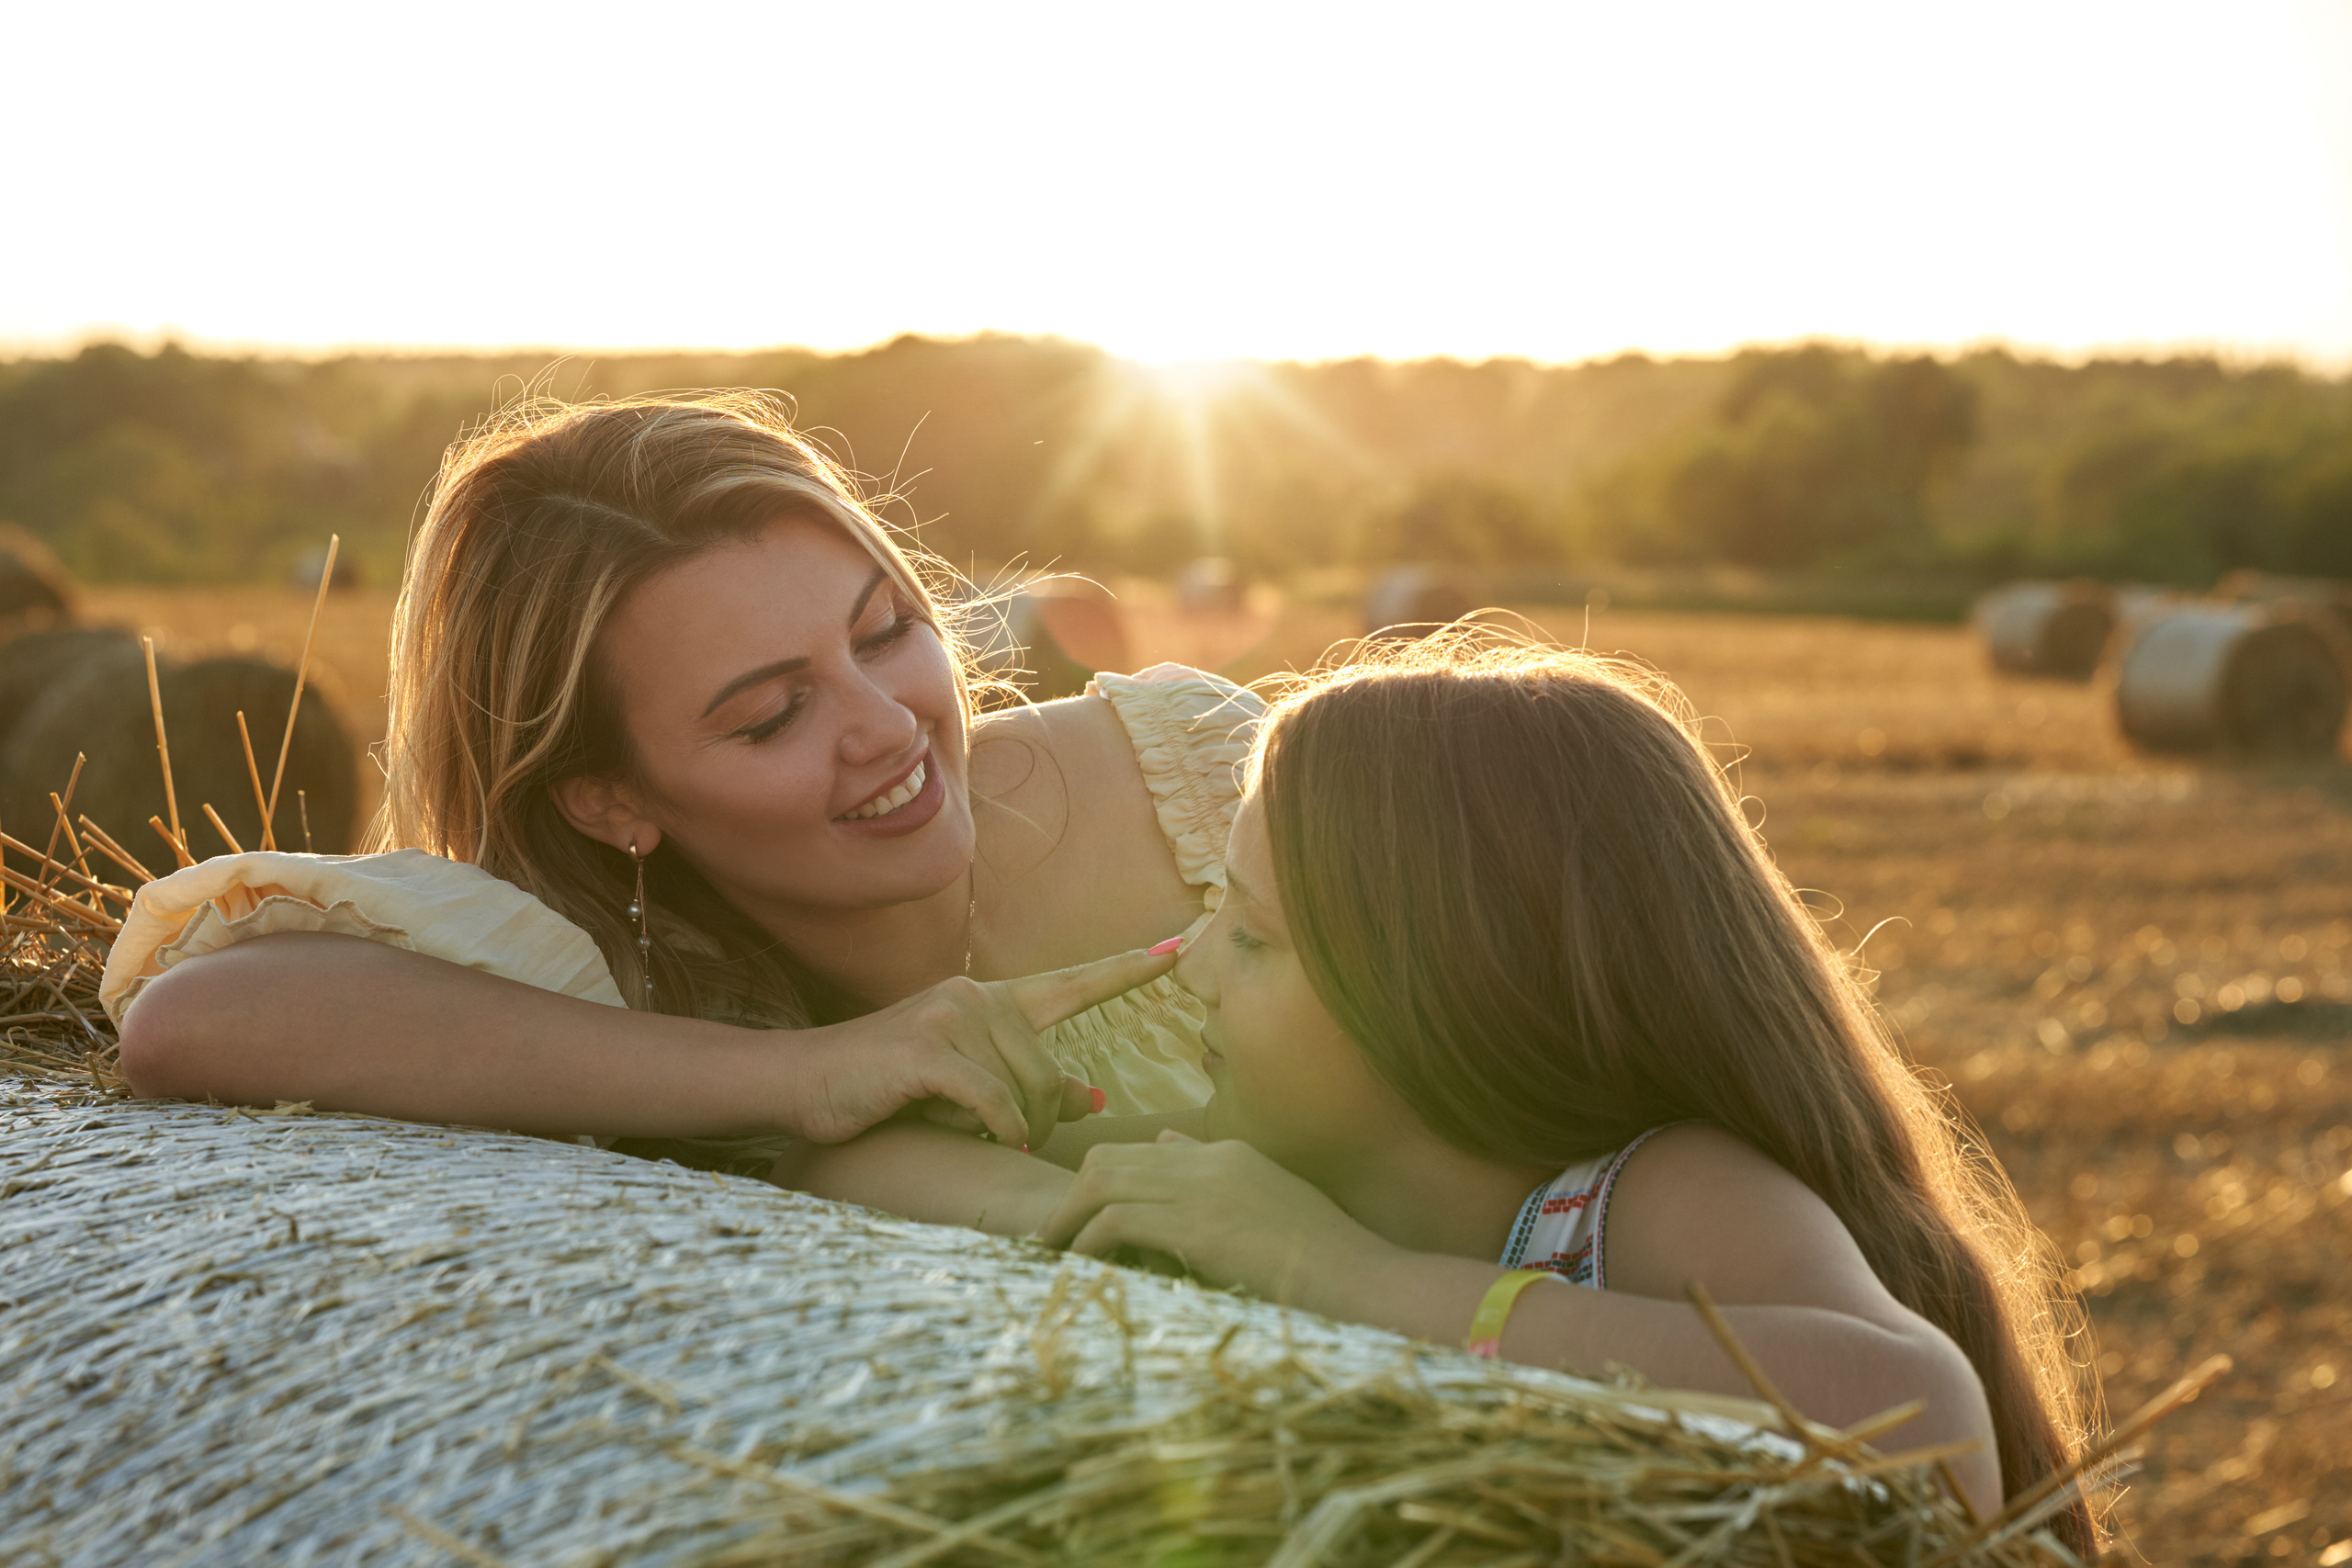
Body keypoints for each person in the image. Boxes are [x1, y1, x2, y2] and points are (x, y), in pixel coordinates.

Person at [775, 637, 2098, 1547]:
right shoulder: (1270, 1153)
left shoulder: (1645, 1198)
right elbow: (842, 1171)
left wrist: (1341, 1274)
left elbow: (1920, 1420)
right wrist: (1001, 1111)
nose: (1191, 971)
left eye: (1248, 931)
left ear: (1434, 989)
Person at [106, 393, 1262, 1163]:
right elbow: (191, 1022)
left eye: (883, 632)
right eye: (770, 716)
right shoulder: (617, 985)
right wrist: (804, 1071)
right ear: (610, 799)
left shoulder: (1194, 778)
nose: (886, 727)